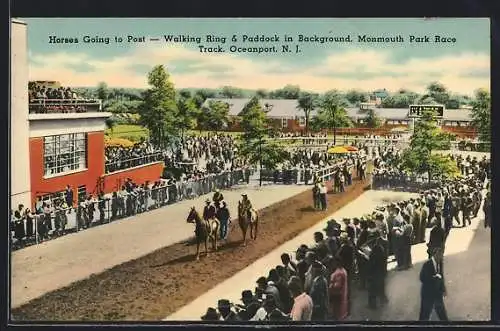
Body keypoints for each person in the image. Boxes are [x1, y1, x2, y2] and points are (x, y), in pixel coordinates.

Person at [419, 248, 448, 321]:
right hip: (427, 293)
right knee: (424, 316)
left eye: (442, 256)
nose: (441, 258)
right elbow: (422, 278)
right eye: (440, 256)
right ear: (436, 255)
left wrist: (443, 289)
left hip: (437, 293)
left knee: (442, 314)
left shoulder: (440, 263)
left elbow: (441, 277)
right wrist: (434, 278)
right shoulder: (427, 264)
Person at [328, 256, 349, 321]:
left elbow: (337, 285)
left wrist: (330, 286)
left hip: (337, 293)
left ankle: (336, 318)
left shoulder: (338, 273)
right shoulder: (343, 270)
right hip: (342, 292)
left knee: (336, 307)